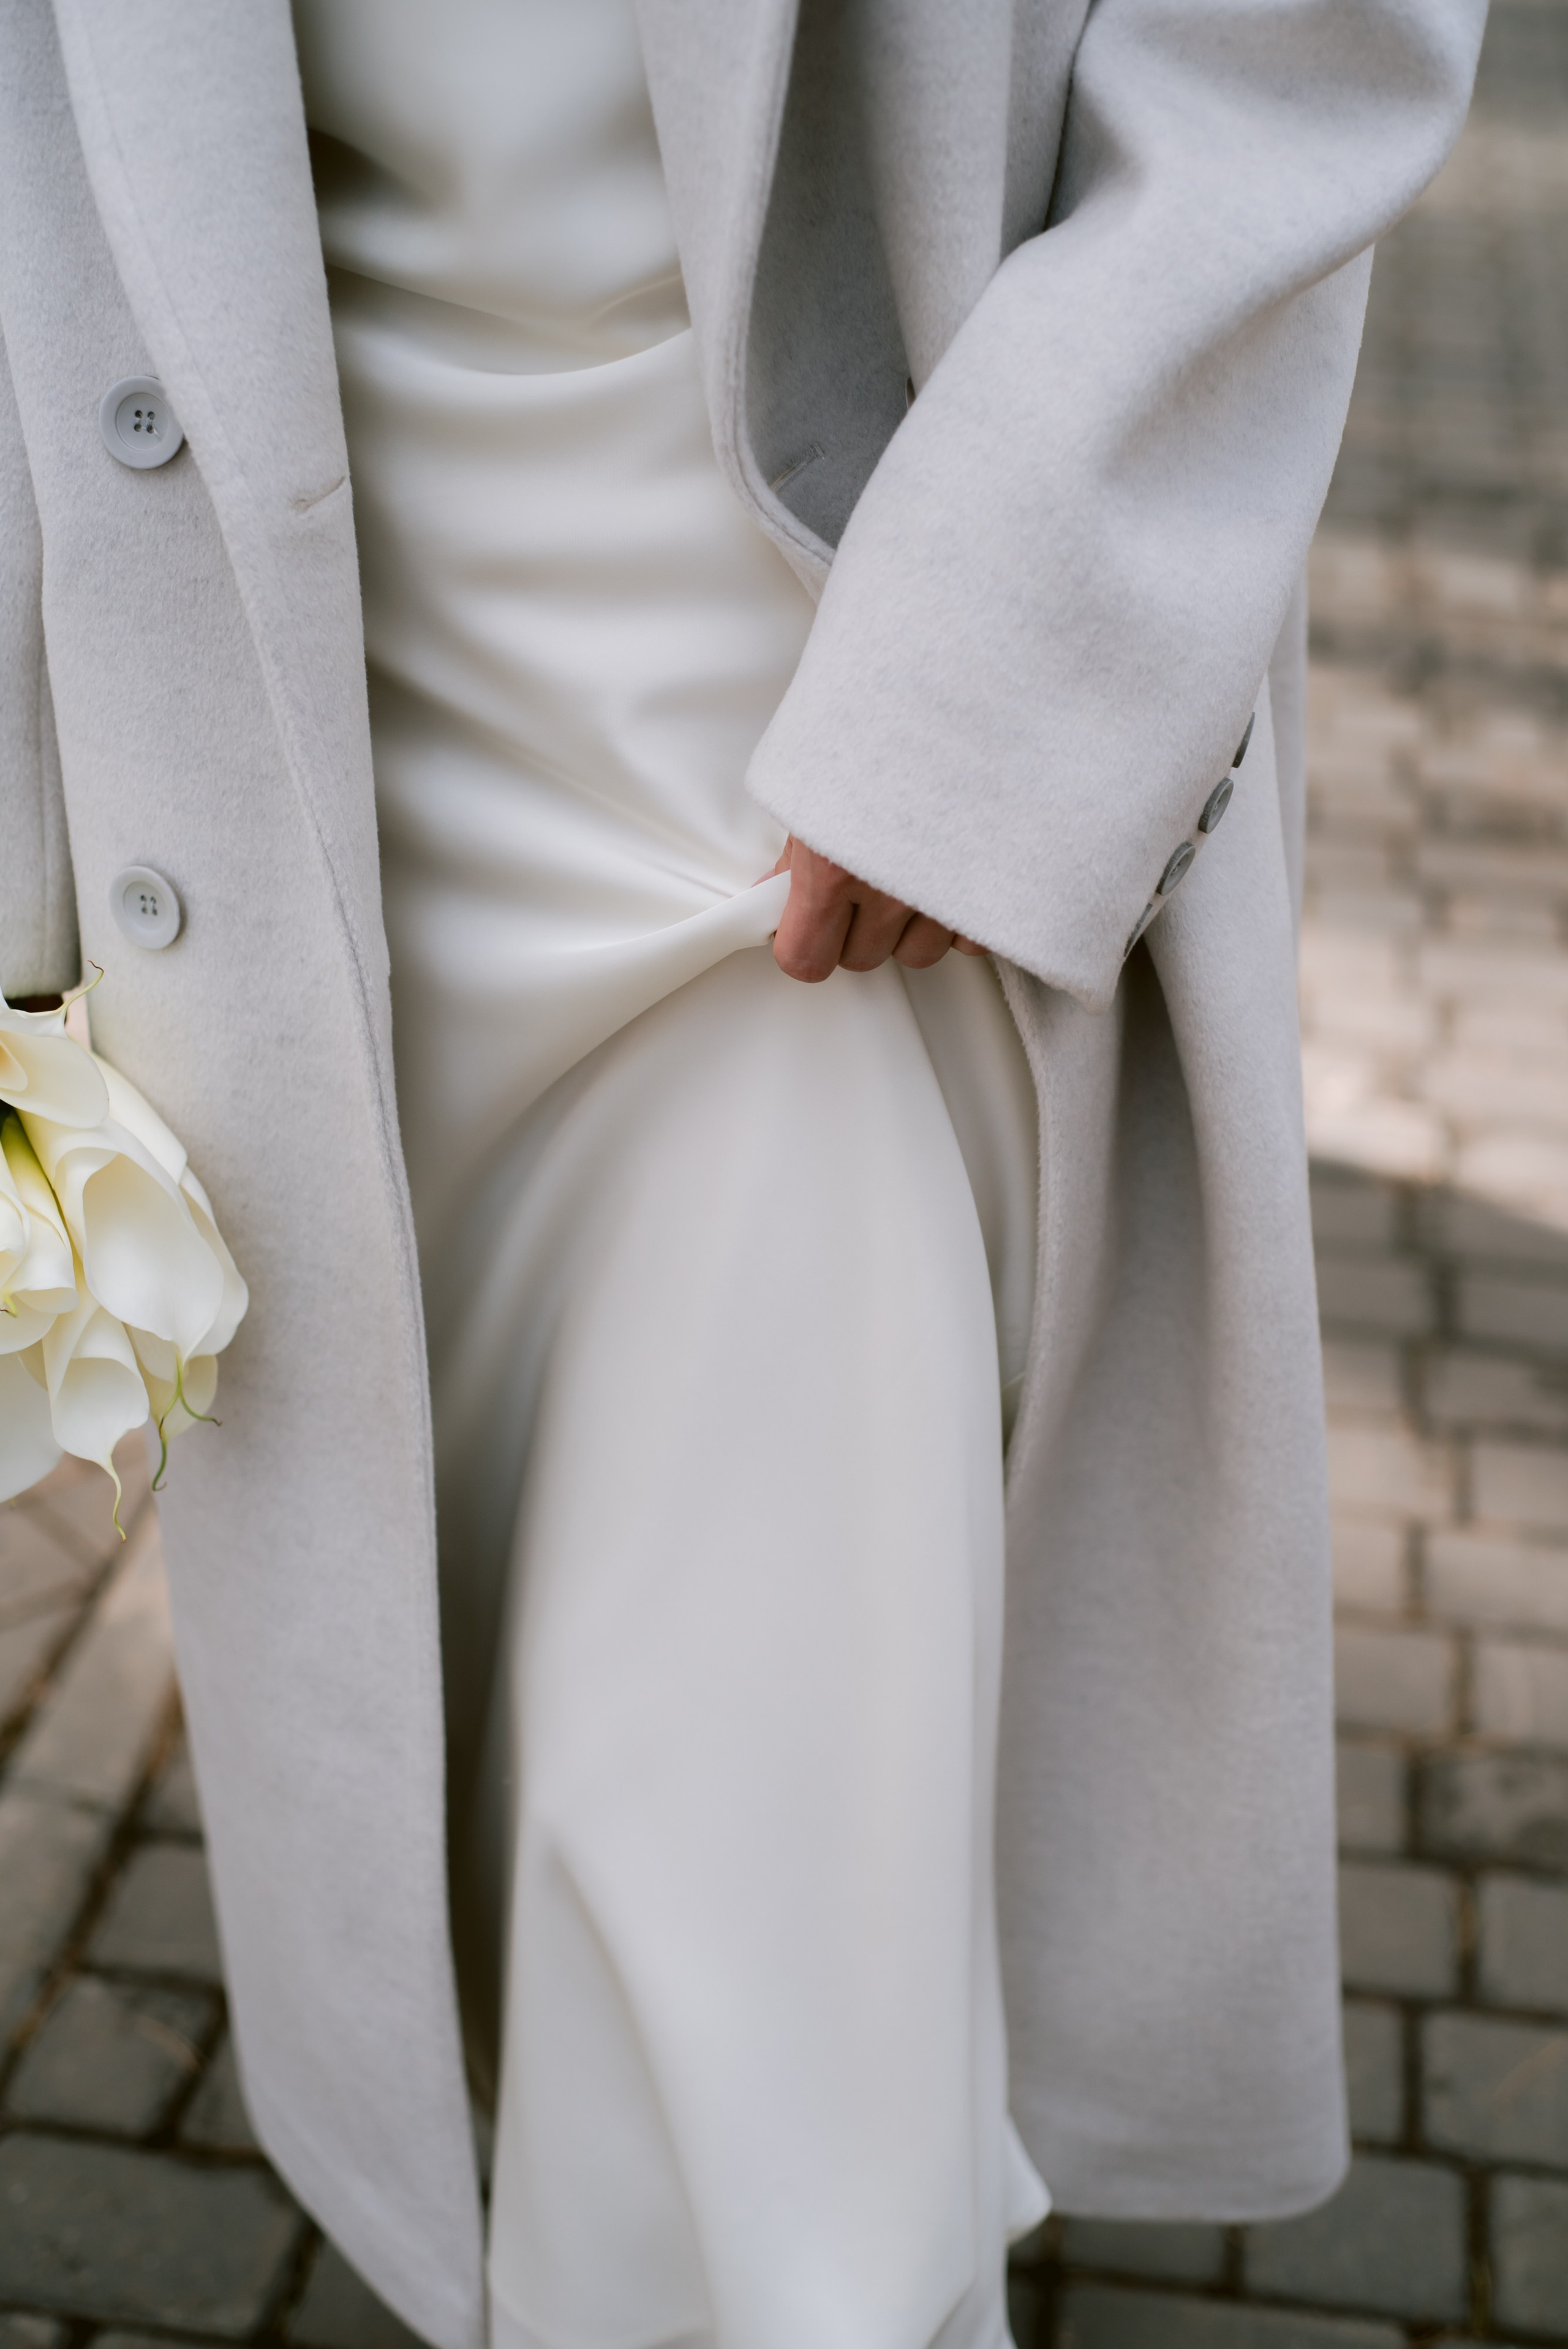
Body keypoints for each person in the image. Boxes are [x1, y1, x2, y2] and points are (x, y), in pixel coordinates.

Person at [0, 1, 1483, 2343]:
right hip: (296, 770)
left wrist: (987, 672)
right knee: (496, 1849)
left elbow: (1298, 40)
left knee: (743, 2001)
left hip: (800, 788)